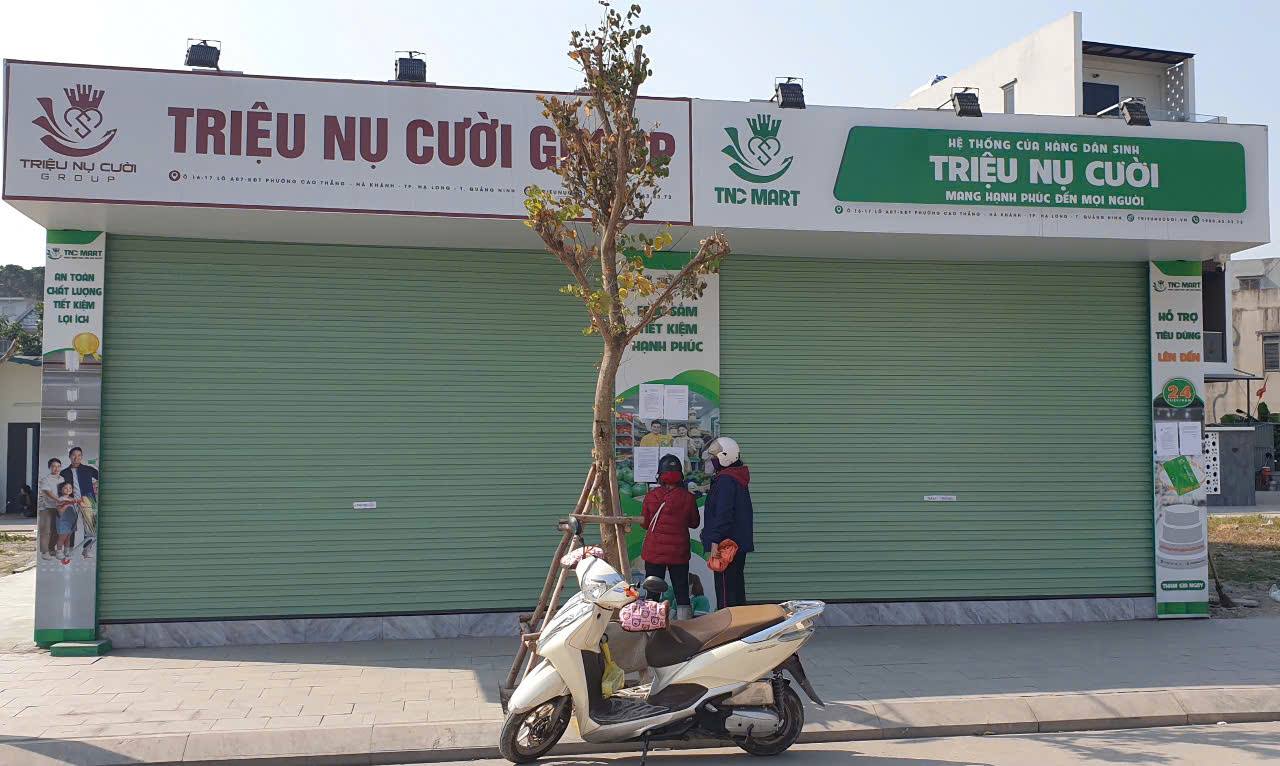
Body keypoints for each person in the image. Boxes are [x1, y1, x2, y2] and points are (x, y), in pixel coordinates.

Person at [641, 453, 701, 620]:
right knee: (681, 590)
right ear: (680, 476)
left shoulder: (651, 497)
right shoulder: (688, 498)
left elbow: (645, 523)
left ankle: (650, 625)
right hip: (679, 551)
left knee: (652, 591)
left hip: (654, 552)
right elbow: (694, 522)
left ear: (660, 476)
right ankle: (685, 626)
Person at [700, 436, 754, 608]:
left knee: (725, 591)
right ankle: (741, 626)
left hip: (726, 545)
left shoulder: (725, 481)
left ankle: (729, 628)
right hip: (737, 544)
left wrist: (715, 541)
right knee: (736, 587)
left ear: (725, 457)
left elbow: (723, 515)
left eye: (714, 458)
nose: (712, 462)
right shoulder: (736, 478)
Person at [61, 447, 98, 552]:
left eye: (79, 455)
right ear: (70, 457)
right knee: (69, 526)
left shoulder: (88, 469)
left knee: (90, 528)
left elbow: (102, 477)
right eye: (74, 455)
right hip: (71, 501)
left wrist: (96, 484)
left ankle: (87, 550)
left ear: (81, 457)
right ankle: (68, 549)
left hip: (88, 500)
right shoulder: (64, 473)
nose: (76, 458)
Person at [37, 458, 64, 560]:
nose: (56, 468)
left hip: (58, 508)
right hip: (46, 508)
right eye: (53, 466)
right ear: (50, 468)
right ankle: (44, 552)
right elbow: (48, 492)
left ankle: (51, 549)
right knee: (46, 531)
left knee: (56, 530)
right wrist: (58, 499)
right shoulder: (45, 479)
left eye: (58, 466)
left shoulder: (62, 479)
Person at [54, 481, 79, 563]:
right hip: (63, 522)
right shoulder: (60, 499)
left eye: (70, 488)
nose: (68, 489)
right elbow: (60, 512)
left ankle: (66, 551)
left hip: (71, 521)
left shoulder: (72, 499)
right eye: (66, 488)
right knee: (62, 537)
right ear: (61, 490)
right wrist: (67, 504)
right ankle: (59, 552)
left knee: (68, 537)